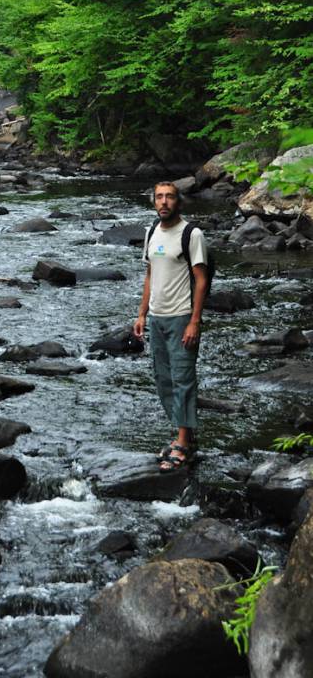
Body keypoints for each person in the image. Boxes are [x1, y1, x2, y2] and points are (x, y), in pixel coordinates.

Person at [133, 181, 208, 472]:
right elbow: (150, 274)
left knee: (183, 380)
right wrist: (141, 315)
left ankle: (182, 444)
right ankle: (186, 438)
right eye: (159, 197)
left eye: (169, 197)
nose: (164, 202)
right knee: (164, 380)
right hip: (156, 317)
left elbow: (200, 279)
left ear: (179, 201)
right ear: (154, 201)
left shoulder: (192, 234)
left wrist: (194, 321)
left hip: (181, 317)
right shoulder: (151, 232)